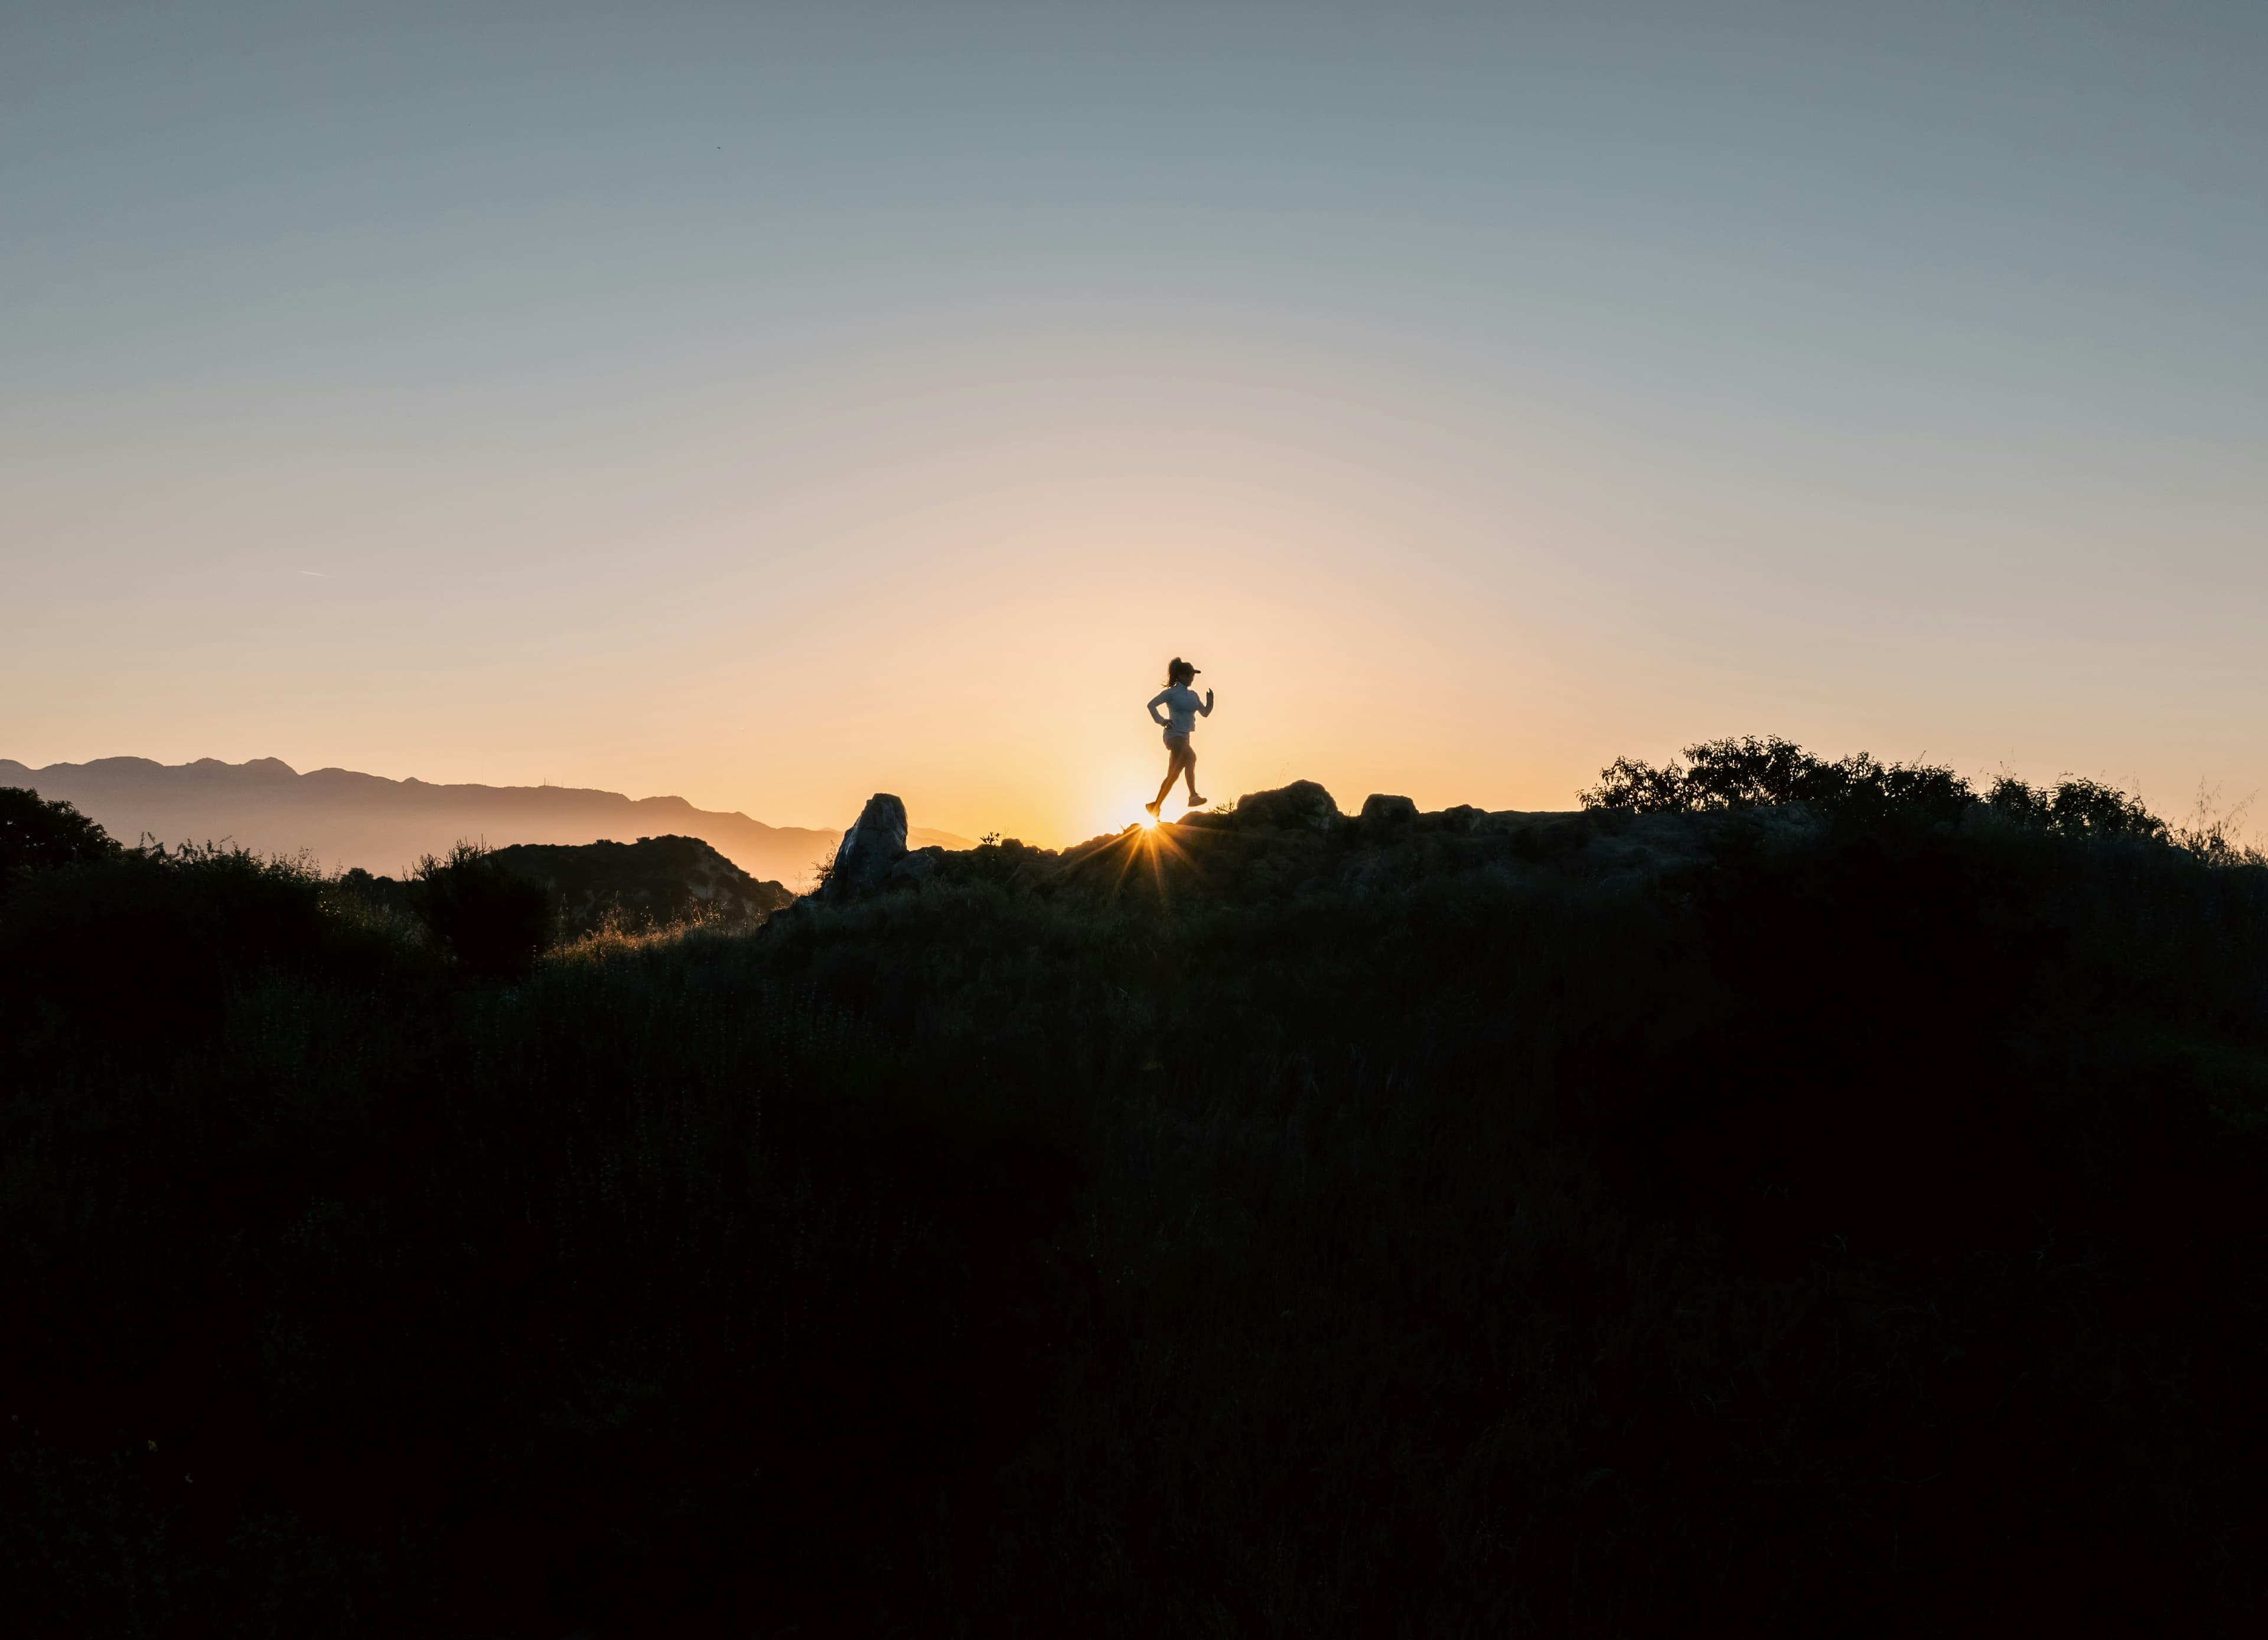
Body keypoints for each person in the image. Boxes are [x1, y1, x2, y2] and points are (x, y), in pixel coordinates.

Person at [1146, 658, 1214, 817]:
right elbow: (1151, 705)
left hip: (1185, 736)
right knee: (1191, 758)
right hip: (1173, 735)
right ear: (1181, 676)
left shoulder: (1193, 696)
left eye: (1193, 676)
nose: (1192, 678)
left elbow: (1205, 713)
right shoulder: (1172, 693)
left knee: (1173, 775)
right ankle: (1193, 796)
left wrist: (1210, 701)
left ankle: (1155, 806)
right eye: (1190, 675)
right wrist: (1162, 721)